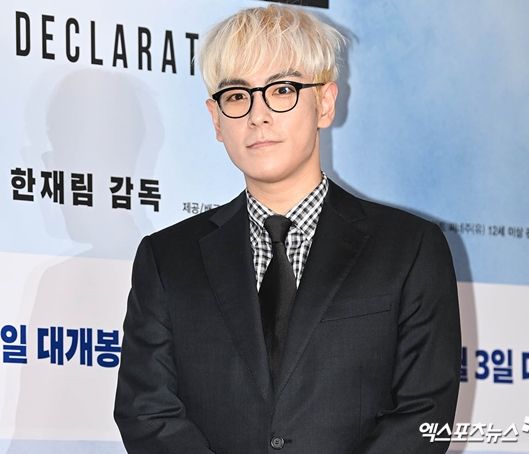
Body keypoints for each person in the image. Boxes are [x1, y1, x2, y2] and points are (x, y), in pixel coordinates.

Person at [114, 5, 461, 454]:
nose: (258, 115)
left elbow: (423, 413)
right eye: (236, 95)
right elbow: (146, 411)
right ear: (216, 119)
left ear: (325, 103)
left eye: (282, 90)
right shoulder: (168, 258)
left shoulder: (409, 248)